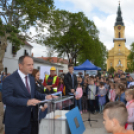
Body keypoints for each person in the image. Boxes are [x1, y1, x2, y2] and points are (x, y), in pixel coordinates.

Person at [2, 55, 51, 134]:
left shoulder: (31, 78)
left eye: (32, 64)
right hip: (14, 123)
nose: (31, 67)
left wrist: (46, 96)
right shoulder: (10, 79)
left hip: (28, 121)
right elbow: (6, 99)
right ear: (20, 66)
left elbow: (34, 93)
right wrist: (26, 102)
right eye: (29, 65)